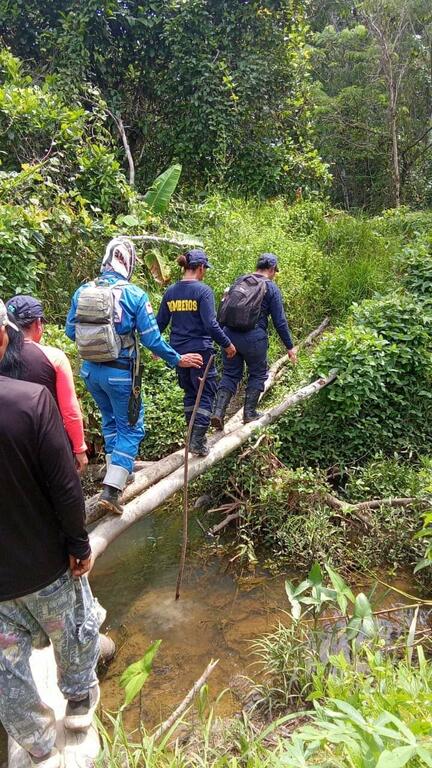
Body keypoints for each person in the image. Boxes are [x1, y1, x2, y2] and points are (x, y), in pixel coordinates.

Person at [0, 299, 100, 768]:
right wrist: (78, 544)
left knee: (7, 670)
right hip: (45, 563)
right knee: (75, 628)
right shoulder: (28, 399)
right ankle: (78, 706)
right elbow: (64, 485)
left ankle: (37, 743)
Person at [66, 237, 203, 514]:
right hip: (121, 374)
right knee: (132, 427)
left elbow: (71, 332)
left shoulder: (83, 291)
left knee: (110, 421)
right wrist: (178, 359)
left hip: (91, 372)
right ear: (127, 263)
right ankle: (112, 490)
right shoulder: (134, 295)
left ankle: (119, 473)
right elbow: (152, 340)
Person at [156, 249, 236, 456]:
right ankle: (198, 441)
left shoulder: (171, 292)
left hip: (179, 354)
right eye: (204, 269)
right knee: (206, 392)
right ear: (200, 268)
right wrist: (227, 344)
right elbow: (211, 324)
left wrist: (157, 348)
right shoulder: (203, 291)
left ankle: (192, 436)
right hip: (201, 353)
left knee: (191, 393)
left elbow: (160, 323)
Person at [3, 294, 88, 474]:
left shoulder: (3, 356)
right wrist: (79, 449)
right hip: (48, 443)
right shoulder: (54, 358)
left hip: (8, 444)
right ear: (37, 324)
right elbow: (70, 411)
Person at [212, 253, 297, 427]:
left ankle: (218, 413)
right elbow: (279, 321)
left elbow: (224, 308)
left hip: (229, 336)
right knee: (258, 373)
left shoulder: (240, 280)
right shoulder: (271, 288)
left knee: (229, 374)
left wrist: (220, 336)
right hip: (254, 337)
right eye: (275, 271)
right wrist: (290, 347)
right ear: (272, 269)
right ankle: (249, 413)